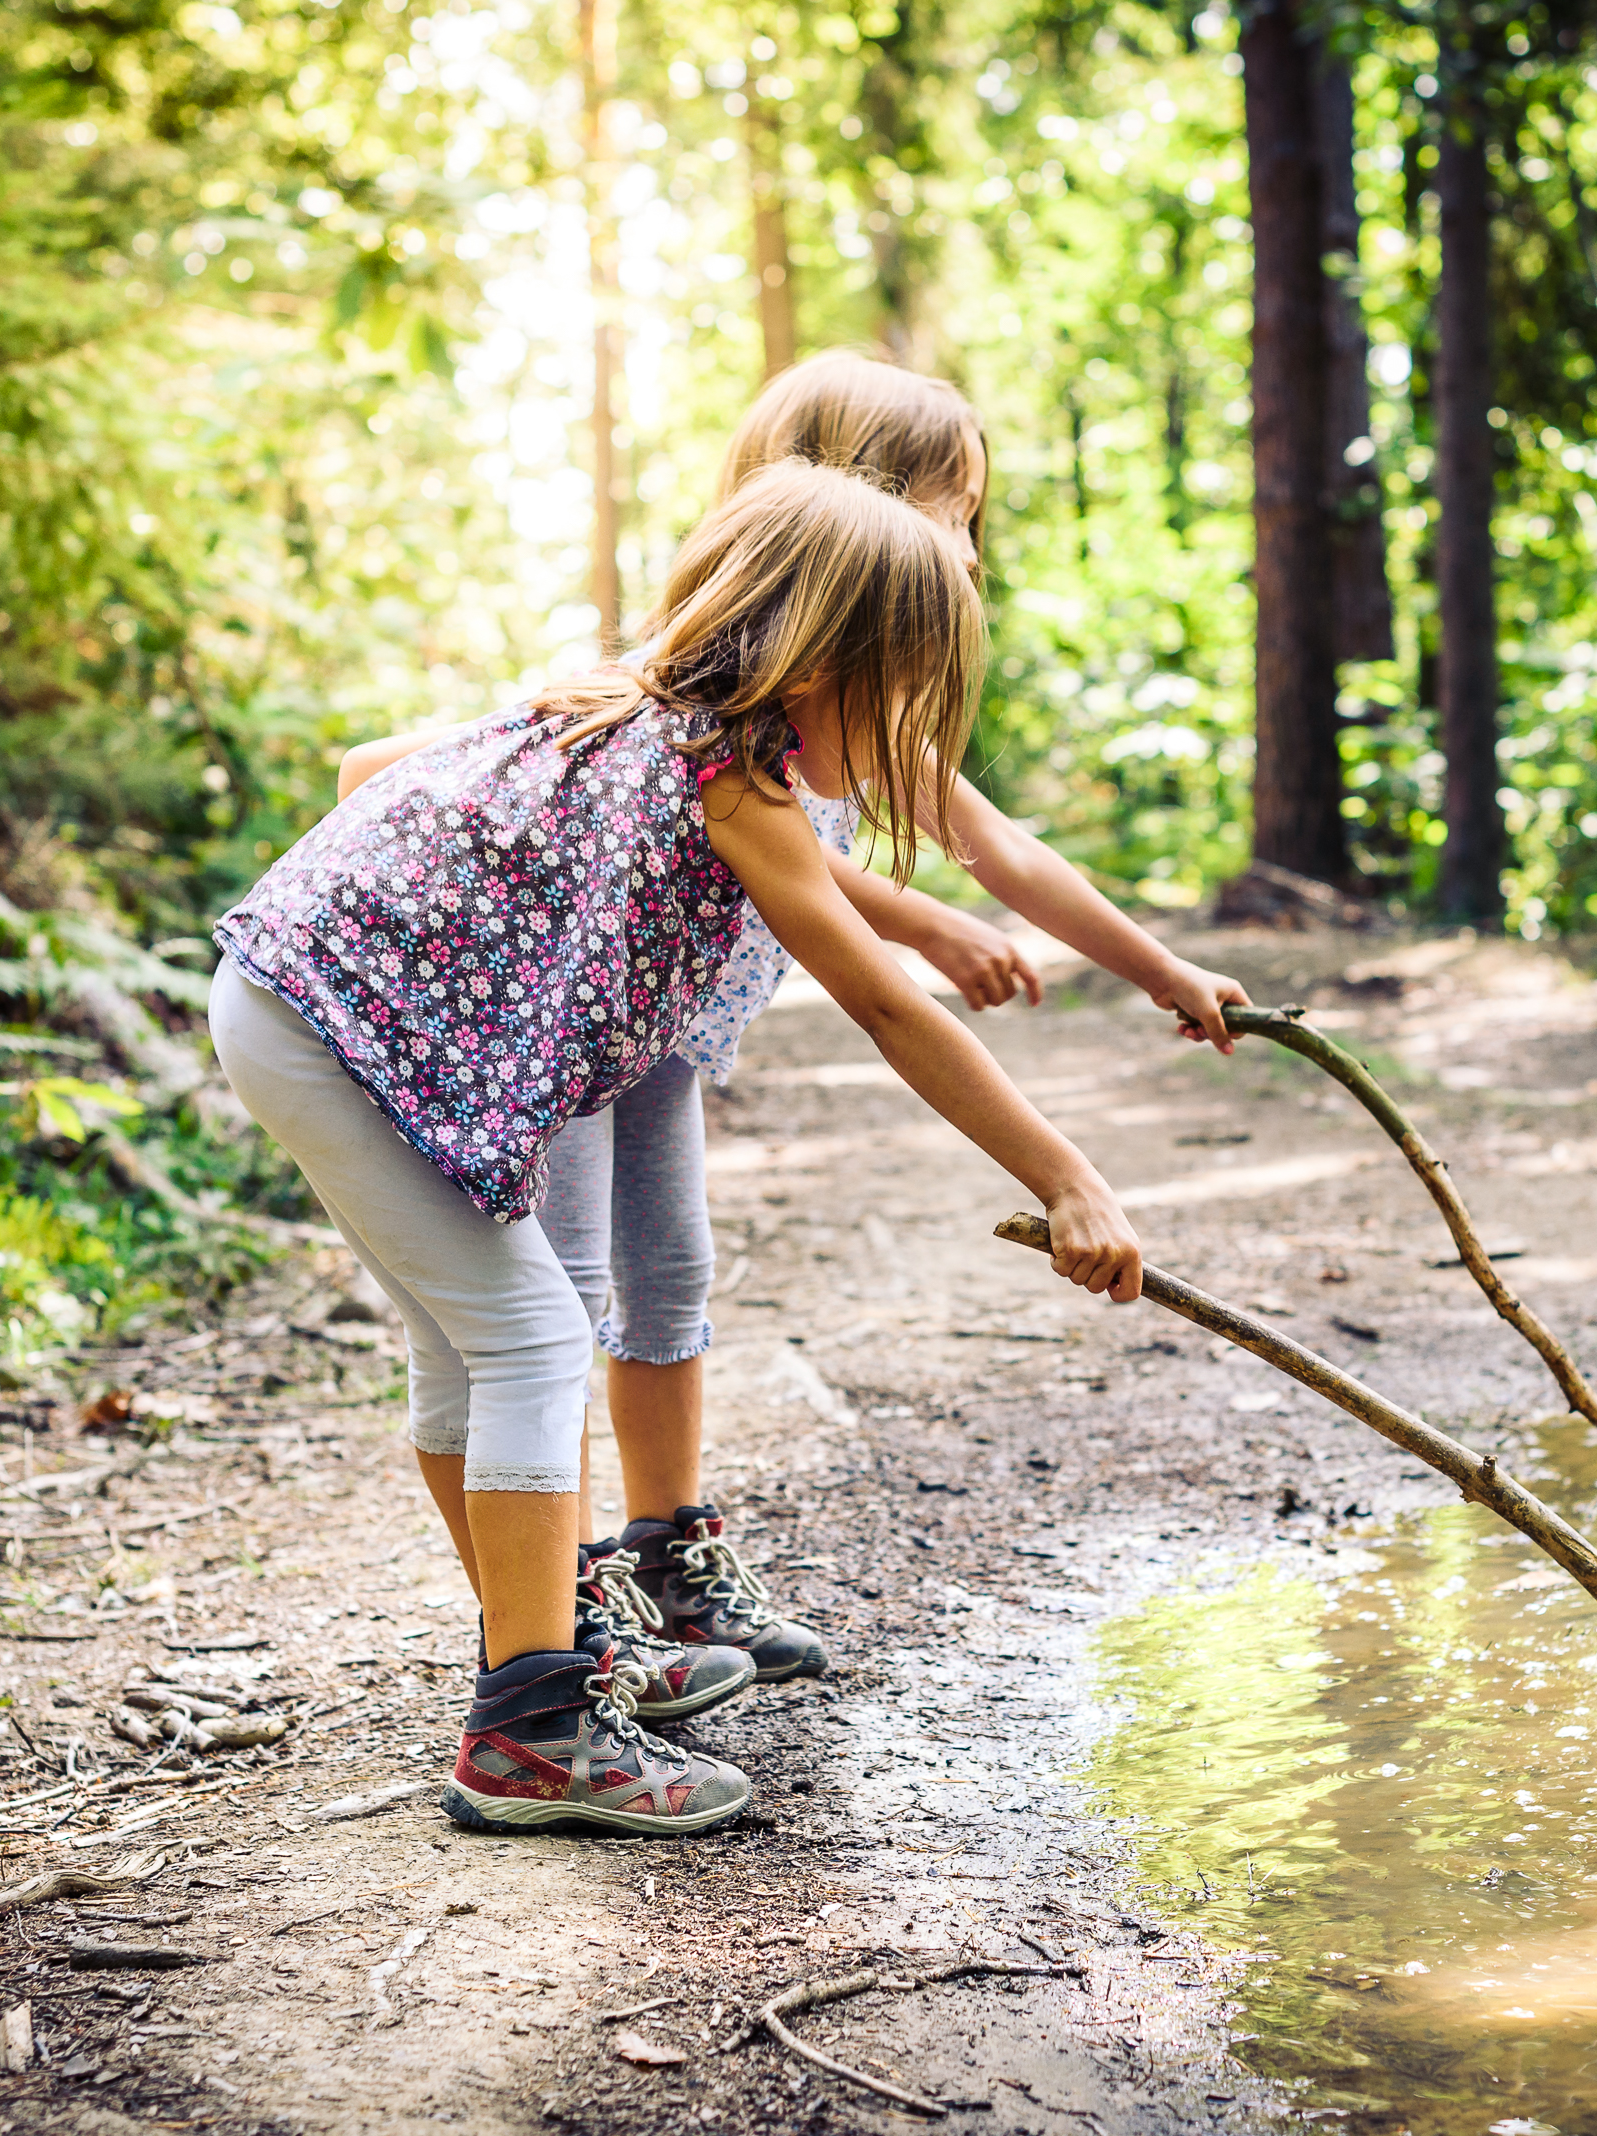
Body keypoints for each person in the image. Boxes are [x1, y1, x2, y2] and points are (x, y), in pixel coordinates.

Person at [209, 461, 1150, 1836]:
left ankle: (551, 1668)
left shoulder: (665, 720)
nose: (899, 742)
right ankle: (530, 1733)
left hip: (304, 1009)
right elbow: (889, 1004)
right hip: (338, 1027)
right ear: (820, 665)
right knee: (533, 1340)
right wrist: (1069, 1178)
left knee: (473, 1349)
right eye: (893, 701)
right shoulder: (731, 780)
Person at [334, 353, 1248, 1692]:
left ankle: (669, 1552)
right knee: (565, 1298)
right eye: (954, 511)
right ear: (854, 507)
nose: (968, 550)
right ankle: (561, 1602)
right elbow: (381, 772)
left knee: (673, 1273)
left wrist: (1158, 966)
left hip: (665, 1030)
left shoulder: (854, 705)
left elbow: (998, 855)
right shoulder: (675, 690)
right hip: (574, 1020)